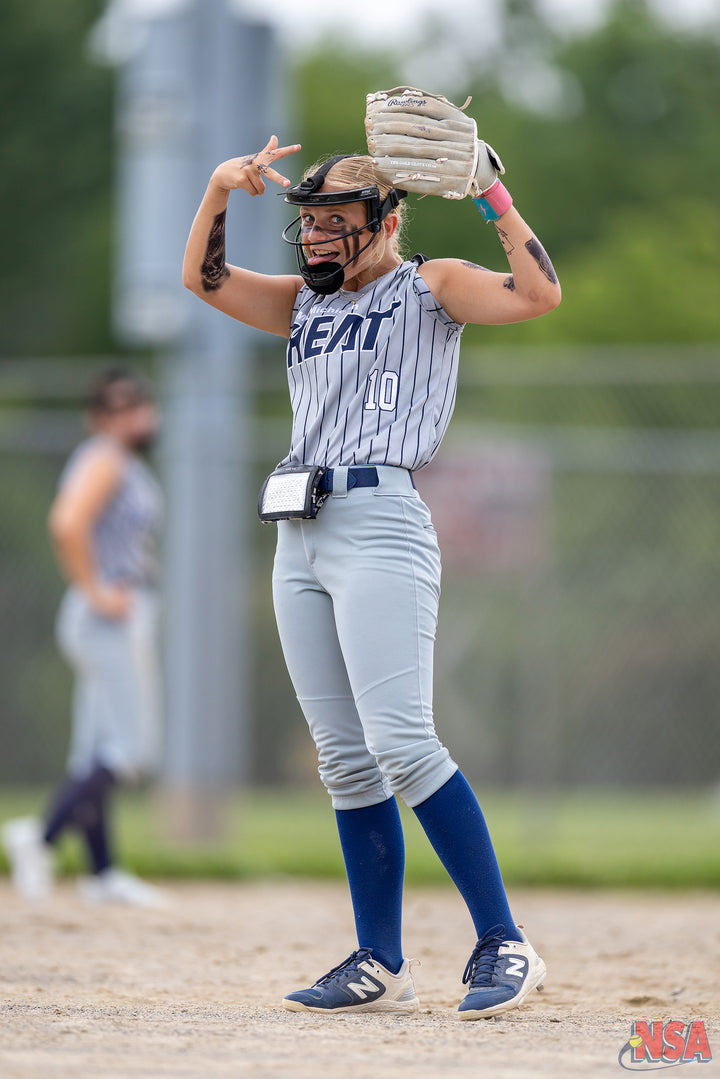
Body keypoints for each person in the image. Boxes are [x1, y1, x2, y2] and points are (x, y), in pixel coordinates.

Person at [182, 123, 561, 1019]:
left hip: (383, 519)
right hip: (299, 529)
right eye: (311, 221)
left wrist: (491, 193)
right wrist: (218, 189)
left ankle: (505, 939)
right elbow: (205, 280)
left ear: (386, 220)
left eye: (335, 220)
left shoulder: (432, 285)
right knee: (344, 759)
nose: (316, 236)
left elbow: (540, 294)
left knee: (402, 741)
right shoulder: (304, 303)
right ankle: (380, 961)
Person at [2, 368, 165, 907]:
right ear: (98, 417)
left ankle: (102, 872)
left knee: (95, 748)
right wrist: (95, 589)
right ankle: (42, 835)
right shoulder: (106, 458)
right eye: (120, 407)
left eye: (139, 403)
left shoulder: (116, 461)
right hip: (108, 616)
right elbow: (67, 522)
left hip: (105, 614)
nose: (135, 415)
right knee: (129, 748)